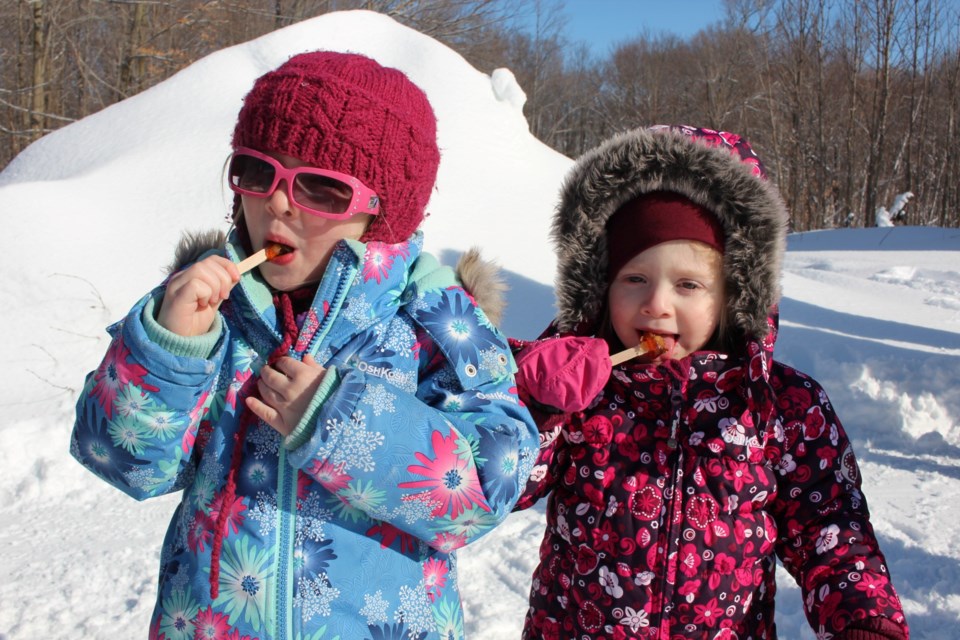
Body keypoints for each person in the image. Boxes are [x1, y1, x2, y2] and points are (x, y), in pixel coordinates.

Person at [70, 50, 538, 640]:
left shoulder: (433, 322)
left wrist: (342, 423)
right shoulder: (214, 309)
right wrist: (168, 350)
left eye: (319, 187)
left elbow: (486, 488)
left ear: (381, 214)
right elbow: (123, 463)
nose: (279, 202)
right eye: (257, 173)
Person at [510, 125, 909, 639]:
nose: (656, 303)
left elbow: (828, 529)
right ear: (599, 286)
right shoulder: (581, 390)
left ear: (734, 295)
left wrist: (863, 619)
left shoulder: (781, 407)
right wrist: (534, 403)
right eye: (634, 279)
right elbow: (506, 487)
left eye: (688, 284)